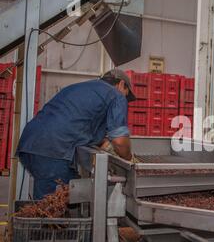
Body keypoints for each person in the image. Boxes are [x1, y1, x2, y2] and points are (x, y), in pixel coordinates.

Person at [16, 69, 136, 200]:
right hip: (53, 150)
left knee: (68, 194)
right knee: (53, 206)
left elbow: (79, 123)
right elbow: (120, 141)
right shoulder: (116, 95)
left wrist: (103, 142)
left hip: (31, 143)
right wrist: (130, 161)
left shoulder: (85, 88)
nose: (125, 99)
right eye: (127, 94)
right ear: (121, 84)